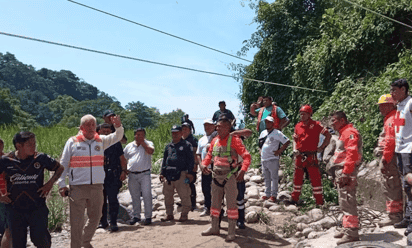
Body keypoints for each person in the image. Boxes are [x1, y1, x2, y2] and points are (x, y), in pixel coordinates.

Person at [58, 114, 124, 248]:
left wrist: (118, 126)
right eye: (88, 125)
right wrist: (61, 183)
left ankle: (85, 240)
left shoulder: (101, 141)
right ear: (81, 127)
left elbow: (118, 136)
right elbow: (63, 163)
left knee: (96, 217)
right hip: (77, 187)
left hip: (97, 187)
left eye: (93, 124)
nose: (91, 127)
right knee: (77, 222)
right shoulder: (72, 142)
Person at [0, 132, 64, 248]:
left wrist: (50, 183)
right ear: (19, 146)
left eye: (34, 143)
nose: (34, 146)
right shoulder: (6, 160)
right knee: (18, 243)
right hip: (15, 208)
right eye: (30, 144)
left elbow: (60, 168)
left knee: (40, 239)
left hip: (37, 206)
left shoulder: (40, 158)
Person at [200, 115, 251, 241]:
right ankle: (214, 227)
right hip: (216, 176)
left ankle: (231, 231)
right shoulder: (214, 141)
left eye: (220, 127)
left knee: (231, 205)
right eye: (217, 127)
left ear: (228, 127)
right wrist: (203, 165)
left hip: (230, 177)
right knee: (215, 204)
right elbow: (209, 155)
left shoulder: (234, 140)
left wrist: (243, 171)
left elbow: (247, 157)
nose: (217, 129)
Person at [330, 111, 362, 245]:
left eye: (334, 120)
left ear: (342, 120)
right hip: (342, 171)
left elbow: (352, 154)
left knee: (348, 201)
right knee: (344, 201)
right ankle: (347, 228)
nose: (332, 123)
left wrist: (346, 173)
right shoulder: (343, 133)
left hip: (346, 172)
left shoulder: (350, 133)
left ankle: (352, 233)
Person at [290, 105, 331, 206]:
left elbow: (328, 135)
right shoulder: (298, 126)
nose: (302, 116)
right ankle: (294, 199)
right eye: (301, 114)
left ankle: (319, 201)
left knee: (315, 178)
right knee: (297, 178)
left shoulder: (316, 125)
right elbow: (295, 140)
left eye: (304, 114)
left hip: (311, 156)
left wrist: (322, 147)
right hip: (299, 156)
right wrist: (294, 149)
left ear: (309, 114)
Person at [373, 94, 403, 227]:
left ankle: (394, 216)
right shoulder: (396, 116)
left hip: (390, 159)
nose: (380, 108)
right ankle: (397, 214)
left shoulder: (391, 119)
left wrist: (385, 159)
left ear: (389, 105)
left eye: (382, 106)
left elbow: (390, 142)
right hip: (395, 157)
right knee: (394, 184)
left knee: (391, 185)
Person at [390, 79, 412, 235]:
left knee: (411, 185)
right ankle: (408, 217)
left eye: (394, 90)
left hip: (409, 150)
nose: (392, 93)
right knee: (406, 186)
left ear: (403, 89)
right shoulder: (399, 105)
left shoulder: (410, 104)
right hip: (400, 150)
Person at [159, 125, 194, 222]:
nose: (174, 135)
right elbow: (164, 160)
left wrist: (190, 173)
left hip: (182, 174)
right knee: (167, 196)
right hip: (168, 174)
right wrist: (162, 173)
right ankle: (169, 214)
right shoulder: (168, 146)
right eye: (173, 133)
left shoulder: (187, 145)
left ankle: (184, 214)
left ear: (181, 133)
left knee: (184, 195)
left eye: (177, 133)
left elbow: (191, 160)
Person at [98, 123, 128, 232]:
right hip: (99, 175)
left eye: (108, 129)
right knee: (100, 200)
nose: (106, 131)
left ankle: (113, 222)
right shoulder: (95, 143)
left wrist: (124, 171)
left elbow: (122, 158)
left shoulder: (116, 143)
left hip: (113, 175)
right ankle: (103, 222)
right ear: (99, 131)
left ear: (111, 131)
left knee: (113, 199)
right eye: (103, 129)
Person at [123, 128, 154, 225]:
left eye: (141, 135)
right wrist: (124, 170)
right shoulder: (129, 146)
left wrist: (143, 143)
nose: (139, 136)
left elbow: (151, 151)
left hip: (145, 174)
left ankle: (148, 217)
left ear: (144, 136)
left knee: (147, 195)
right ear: (134, 135)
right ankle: (136, 216)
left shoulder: (148, 143)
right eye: (137, 134)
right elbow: (124, 158)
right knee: (135, 196)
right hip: (132, 174)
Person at [259, 116, 290, 202]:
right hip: (264, 159)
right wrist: (260, 152)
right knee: (266, 177)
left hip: (273, 158)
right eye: (266, 122)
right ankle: (267, 193)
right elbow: (260, 144)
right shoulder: (263, 133)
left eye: (269, 122)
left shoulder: (277, 133)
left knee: (274, 177)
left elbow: (287, 141)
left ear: (272, 123)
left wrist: (279, 151)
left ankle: (274, 195)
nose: (267, 123)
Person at [196, 119, 216, 217]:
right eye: (205, 126)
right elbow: (198, 154)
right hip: (205, 168)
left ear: (214, 126)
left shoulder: (218, 137)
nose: (206, 128)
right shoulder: (201, 139)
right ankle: (207, 207)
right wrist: (201, 165)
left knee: (217, 190)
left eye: (209, 125)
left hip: (216, 168)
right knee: (205, 189)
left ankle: (218, 209)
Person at [182, 122, 199, 211]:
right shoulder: (180, 139)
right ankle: (185, 202)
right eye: (183, 129)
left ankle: (193, 204)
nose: (184, 131)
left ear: (190, 130)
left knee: (190, 184)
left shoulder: (193, 140)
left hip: (191, 166)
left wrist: (195, 164)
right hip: (182, 167)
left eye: (186, 129)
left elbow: (196, 153)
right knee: (182, 184)